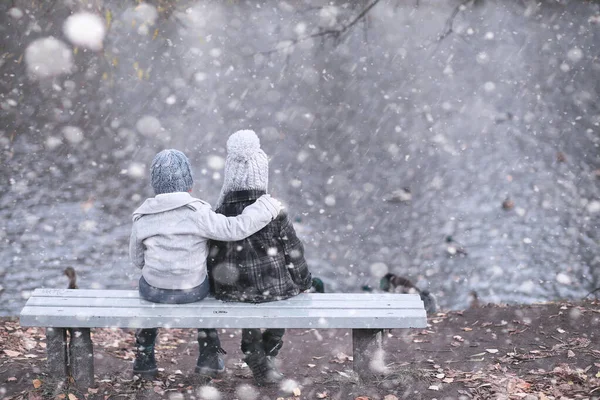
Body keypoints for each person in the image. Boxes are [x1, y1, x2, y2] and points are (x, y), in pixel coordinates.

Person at [129, 149, 282, 379]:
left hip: (154, 290)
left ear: (155, 185)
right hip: (192, 290)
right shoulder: (198, 212)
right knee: (209, 286)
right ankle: (209, 355)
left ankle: (144, 357)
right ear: (189, 185)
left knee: (148, 292)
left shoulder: (142, 216)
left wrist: (161, 270)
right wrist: (264, 209)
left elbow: (137, 260)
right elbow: (234, 229)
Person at [203, 130, 312, 386]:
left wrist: (213, 284)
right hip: (274, 288)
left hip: (232, 289)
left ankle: (254, 350)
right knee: (282, 300)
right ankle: (266, 352)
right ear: (262, 174)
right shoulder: (274, 211)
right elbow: (294, 252)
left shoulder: (220, 213)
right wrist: (304, 281)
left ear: (230, 175)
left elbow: (211, 256)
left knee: (248, 299)